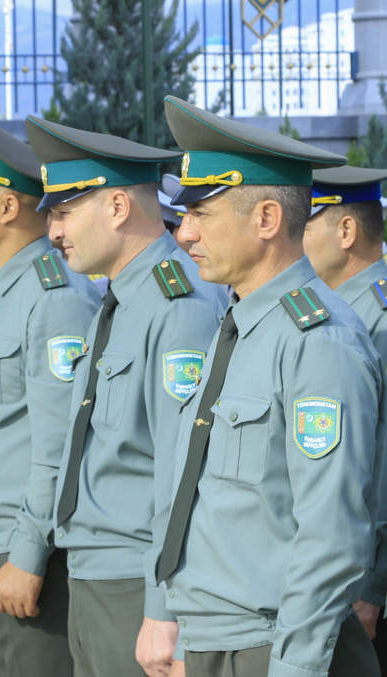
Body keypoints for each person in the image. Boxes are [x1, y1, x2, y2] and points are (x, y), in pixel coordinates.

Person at [150, 95, 382, 676]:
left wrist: (294, 668)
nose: (183, 234)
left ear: (266, 219)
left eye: (202, 213)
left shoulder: (317, 340)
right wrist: (185, 636)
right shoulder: (236, 325)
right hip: (218, 640)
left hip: (274, 648)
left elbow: (331, 536)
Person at [25, 115, 228, 677]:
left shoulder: (176, 305)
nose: (54, 232)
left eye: (65, 213)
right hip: (96, 572)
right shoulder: (119, 300)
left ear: (117, 208)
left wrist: (165, 608)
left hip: (135, 582)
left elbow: (182, 470)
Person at [0, 103, 100, 677]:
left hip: (24, 552)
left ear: (8, 206)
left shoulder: (55, 296)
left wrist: (27, 554)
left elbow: (58, 444)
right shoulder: (0, 291)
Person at [302, 165, 387, 671]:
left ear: (347, 232)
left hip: (365, 582)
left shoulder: (373, 320)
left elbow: (381, 463)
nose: (296, 238)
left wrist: (372, 584)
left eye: (306, 225)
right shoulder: (339, 310)